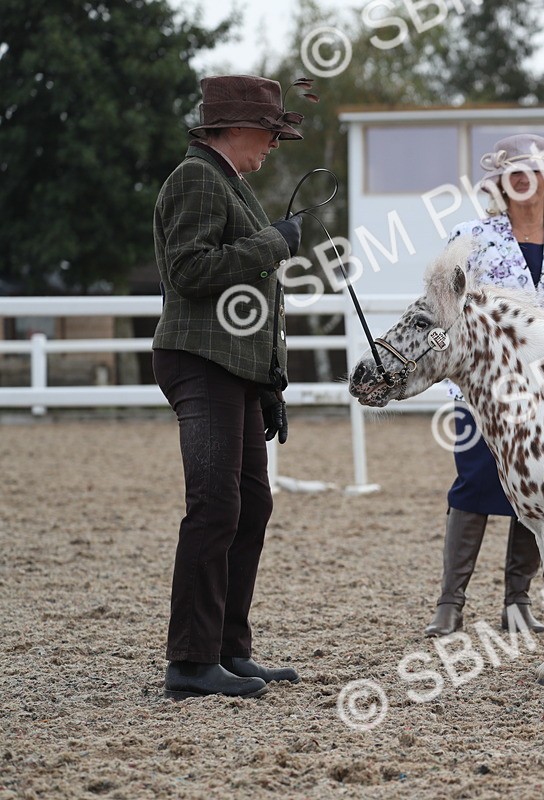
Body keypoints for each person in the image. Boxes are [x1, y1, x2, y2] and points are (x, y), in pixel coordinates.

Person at [152, 75, 306, 699]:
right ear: (235, 127)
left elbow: (249, 299)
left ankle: (227, 650)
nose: (274, 142)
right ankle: (190, 663)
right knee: (215, 506)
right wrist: (273, 243)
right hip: (199, 359)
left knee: (251, 503)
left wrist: (269, 384)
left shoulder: (230, 184)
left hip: (233, 368)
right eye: (270, 131)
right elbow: (189, 272)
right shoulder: (195, 179)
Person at [425, 133, 544, 638]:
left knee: (537, 491)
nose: (522, 176)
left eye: (532, 169)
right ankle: (449, 606)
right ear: (499, 182)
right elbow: (442, 306)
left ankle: (516, 604)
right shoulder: (469, 235)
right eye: (512, 170)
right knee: (474, 486)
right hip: (481, 390)